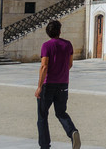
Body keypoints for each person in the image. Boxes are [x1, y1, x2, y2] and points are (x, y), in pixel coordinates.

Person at [36, 20, 81, 149]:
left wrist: (39, 87)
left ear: (47, 33)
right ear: (60, 31)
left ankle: (45, 146)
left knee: (42, 116)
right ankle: (72, 131)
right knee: (61, 113)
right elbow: (70, 64)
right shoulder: (68, 45)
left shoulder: (46, 46)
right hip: (63, 84)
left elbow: (44, 66)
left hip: (48, 85)